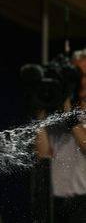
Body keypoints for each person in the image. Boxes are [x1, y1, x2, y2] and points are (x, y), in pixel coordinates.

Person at [34, 51, 86, 223]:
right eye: (77, 75)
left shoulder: (69, 114)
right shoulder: (62, 112)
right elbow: (43, 153)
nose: (81, 81)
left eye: (84, 75)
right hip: (58, 203)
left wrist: (69, 114)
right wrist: (39, 113)